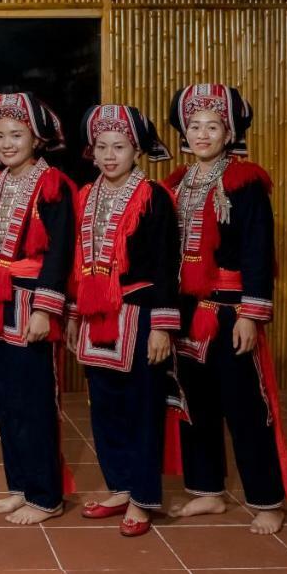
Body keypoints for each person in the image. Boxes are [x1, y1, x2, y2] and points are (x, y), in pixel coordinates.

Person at [164, 84, 287, 535]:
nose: (202, 134)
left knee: (245, 407)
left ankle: (266, 499)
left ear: (229, 132)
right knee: (194, 404)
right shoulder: (177, 184)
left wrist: (249, 314)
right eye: (194, 126)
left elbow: (260, 252)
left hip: (228, 310)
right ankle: (207, 490)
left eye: (212, 126)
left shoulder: (245, 183)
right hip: (185, 311)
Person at [67, 104, 181, 537]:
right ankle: (119, 486)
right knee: (105, 408)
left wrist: (162, 327)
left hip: (140, 314)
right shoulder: (86, 195)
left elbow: (166, 265)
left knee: (142, 409)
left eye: (119, 146)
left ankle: (143, 497)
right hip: (97, 315)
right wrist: (76, 316)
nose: (109, 155)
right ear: (91, 151)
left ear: (137, 150)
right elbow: (79, 265)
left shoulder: (153, 197)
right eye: (101, 146)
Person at [0, 93, 74, 525]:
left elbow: (60, 252)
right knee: (6, 401)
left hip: (31, 303)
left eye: (17, 134)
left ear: (37, 137)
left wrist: (45, 310)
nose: (7, 143)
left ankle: (47, 495)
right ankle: (21, 485)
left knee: (36, 402)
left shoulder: (53, 185)